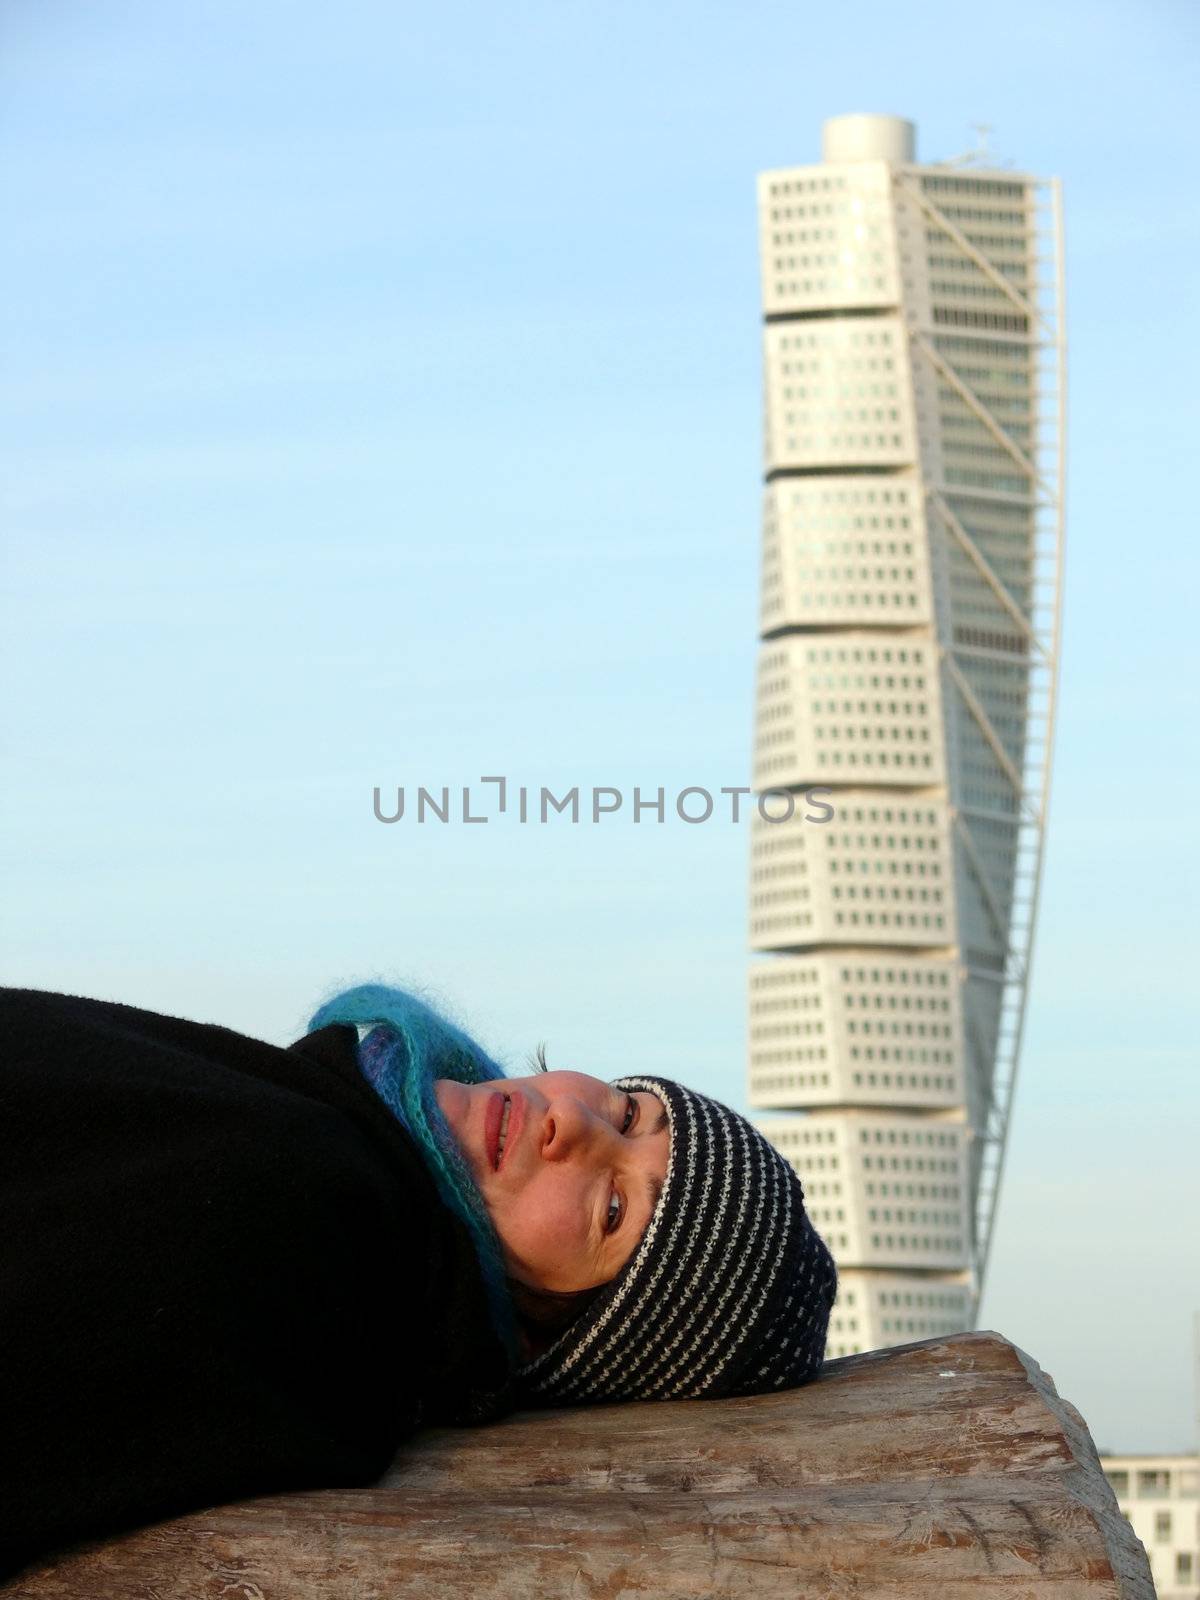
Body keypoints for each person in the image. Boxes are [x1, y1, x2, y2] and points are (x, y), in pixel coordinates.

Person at [0, 981, 837, 1577]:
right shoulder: (333, 1147)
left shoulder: (315, 1227)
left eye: (612, 1210)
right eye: (627, 1112)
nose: (572, 1123)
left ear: (563, 1337)